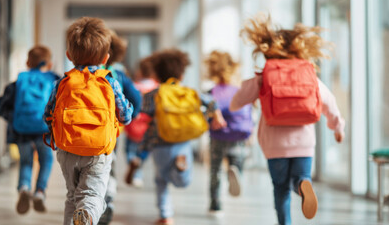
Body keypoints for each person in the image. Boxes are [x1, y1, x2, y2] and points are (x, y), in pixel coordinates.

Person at [230, 15, 345, 225]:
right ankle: (303, 184)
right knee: (300, 177)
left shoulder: (265, 76)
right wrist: (337, 127)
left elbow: (237, 101)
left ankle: (285, 223)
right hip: (303, 143)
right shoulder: (308, 74)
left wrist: (244, 101)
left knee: (280, 188)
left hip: (274, 145)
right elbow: (329, 102)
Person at [43, 17, 133, 225]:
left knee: (72, 196)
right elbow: (125, 116)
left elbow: (48, 115)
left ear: (68, 55)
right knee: (93, 196)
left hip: (67, 150)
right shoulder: (109, 81)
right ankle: (88, 215)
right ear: (106, 57)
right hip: (98, 150)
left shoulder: (62, 82)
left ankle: (79, 215)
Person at [140, 49, 226, 225]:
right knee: (183, 182)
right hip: (183, 142)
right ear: (182, 74)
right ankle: (181, 169)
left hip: (160, 143)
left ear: (156, 74)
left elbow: (142, 109)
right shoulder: (188, 91)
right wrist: (217, 115)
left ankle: (165, 216)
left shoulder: (155, 94)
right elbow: (210, 101)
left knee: (161, 179)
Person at [0, 45, 59, 215]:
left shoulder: (18, 83)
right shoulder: (53, 81)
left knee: (26, 161)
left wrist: (15, 119)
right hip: (44, 131)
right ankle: (39, 192)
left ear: (27, 62)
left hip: (21, 131)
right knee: (46, 160)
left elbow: (3, 106)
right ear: (50, 64)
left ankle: (24, 187)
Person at [97, 30, 142, 225]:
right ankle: (109, 197)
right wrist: (130, 117)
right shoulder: (118, 75)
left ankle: (90, 202)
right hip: (110, 131)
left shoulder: (81, 74)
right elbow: (136, 98)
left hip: (81, 132)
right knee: (109, 164)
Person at [204, 51, 254, 215]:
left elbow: (205, 114)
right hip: (238, 134)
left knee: (215, 170)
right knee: (237, 157)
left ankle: (215, 204)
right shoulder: (239, 90)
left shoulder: (211, 91)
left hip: (218, 135)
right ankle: (236, 168)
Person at [124, 56, 159, 188]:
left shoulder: (134, 86)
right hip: (147, 126)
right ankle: (138, 171)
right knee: (142, 151)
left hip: (133, 123)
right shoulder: (156, 87)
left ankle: (132, 162)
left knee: (129, 150)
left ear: (140, 71)